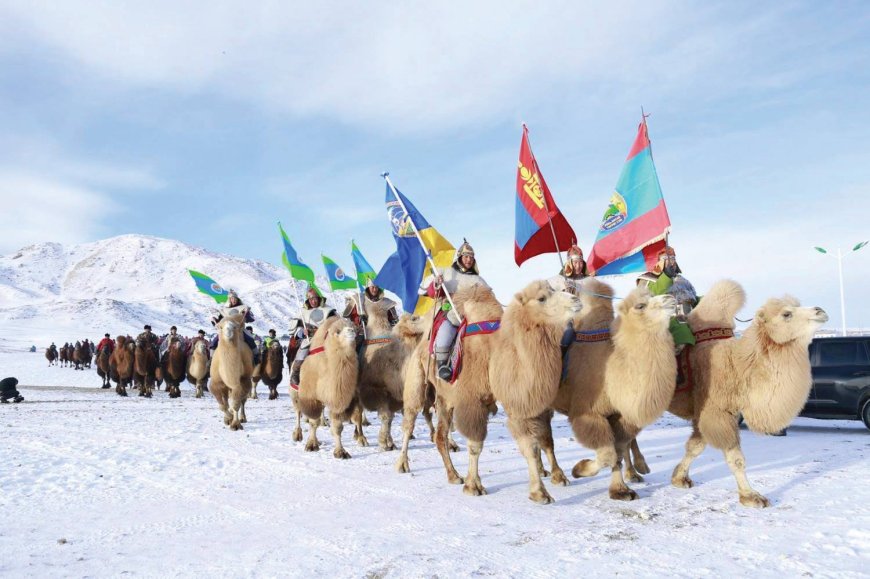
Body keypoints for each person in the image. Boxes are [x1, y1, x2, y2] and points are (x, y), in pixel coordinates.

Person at [420, 239, 489, 381]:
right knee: (446, 331)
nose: (469, 260)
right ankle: (442, 366)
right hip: (452, 314)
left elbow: (488, 298)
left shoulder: (479, 280)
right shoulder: (447, 273)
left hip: (474, 316)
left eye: (471, 257)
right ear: (459, 257)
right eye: (466, 256)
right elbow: (429, 292)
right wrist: (437, 285)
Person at [636, 245, 698, 350]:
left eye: (673, 258)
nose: (671, 261)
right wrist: (666, 276)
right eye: (666, 258)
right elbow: (652, 293)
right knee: (682, 333)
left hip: (690, 319)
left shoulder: (683, 280)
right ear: (658, 262)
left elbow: (694, 300)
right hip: (664, 322)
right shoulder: (647, 279)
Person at [289, 286, 338, 387]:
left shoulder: (328, 310)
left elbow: (336, 324)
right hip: (309, 339)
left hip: (326, 338)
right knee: (302, 352)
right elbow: (296, 327)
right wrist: (302, 332)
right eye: (310, 299)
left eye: (315, 298)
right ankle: (295, 373)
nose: (313, 301)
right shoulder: (302, 312)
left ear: (319, 298)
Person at [547, 244, 589, 359]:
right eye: (575, 262)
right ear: (569, 263)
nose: (578, 265)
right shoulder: (556, 281)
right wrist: (565, 292)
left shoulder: (590, 281)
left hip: (587, 316)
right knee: (569, 330)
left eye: (580, 262)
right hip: (566, 317)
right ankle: (561, 356)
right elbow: (547, 300)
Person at [210, 290, 259, 364]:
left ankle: (256, 356)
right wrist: (214, 319)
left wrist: (247, 313)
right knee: (214, 342)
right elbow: (219, 321)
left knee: (250, 339)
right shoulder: (224, 310)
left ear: (238, 299)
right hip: (227, 330)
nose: (234, 300)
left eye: (235, 298)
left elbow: (251, 319)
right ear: (229, 300)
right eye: (232, 298)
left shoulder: (243, 308)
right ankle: (211, 360)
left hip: (239, 329)